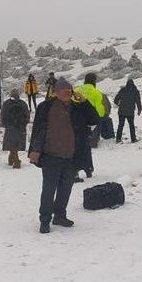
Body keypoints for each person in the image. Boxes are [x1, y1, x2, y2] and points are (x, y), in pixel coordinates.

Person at [28, 77, 99, 234]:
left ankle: (60, 216)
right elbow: (39, 130)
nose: (67, 93)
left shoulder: (77, 107)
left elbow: (95, 119)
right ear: (56, 92)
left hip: (71, 157)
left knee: (65, 189)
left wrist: (84, 102)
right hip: (51, 156)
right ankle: (45, 220)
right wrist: (35, 149)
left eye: (70, 91)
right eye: (64, 91)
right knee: (48, 190)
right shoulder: (45, 107)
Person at [74, 72, 105, 176]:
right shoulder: (96, 93)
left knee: (76, 146)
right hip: (89, 123)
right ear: (94, 81)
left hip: (75, 122)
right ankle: (88, 168)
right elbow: (100, 111)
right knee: (86, 146)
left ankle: (76, 169)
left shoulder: (76, 90)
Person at [1, 89, 30, 169]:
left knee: (12, 145)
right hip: (20, 128)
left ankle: (16, 161)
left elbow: (3, 115)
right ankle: (12, 159)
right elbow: (27, 116)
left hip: (10, 128)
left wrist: (5, 124)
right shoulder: (23, 104)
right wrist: (23, 124)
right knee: (16, 145)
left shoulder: (6, 104)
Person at [114, 79, 142, 143]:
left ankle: (118, 139)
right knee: (131, 125)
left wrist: (119, 104)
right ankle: (133, 139)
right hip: (130, 111)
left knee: (120, 125)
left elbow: (116, 99)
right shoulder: (135, 91)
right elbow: (138, 101)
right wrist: (139, 109)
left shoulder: (122, 90)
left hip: (121, 111)